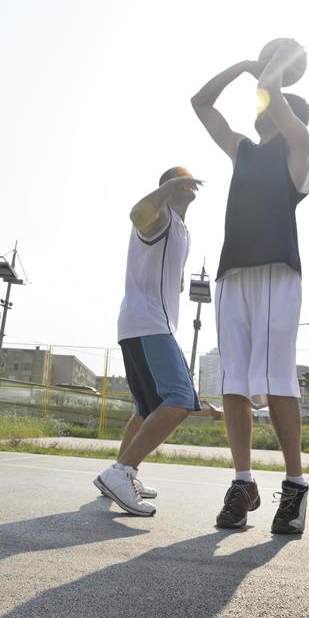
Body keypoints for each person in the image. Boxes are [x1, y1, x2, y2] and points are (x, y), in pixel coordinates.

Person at [191, 39, 309, 535]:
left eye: (277, 105)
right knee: (234, 381)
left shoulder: (300, 148)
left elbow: (269, 90)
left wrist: (274, 65)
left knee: (278, 378)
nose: (265, 107)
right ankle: (243, 482)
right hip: (234, 272)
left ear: (288, 114)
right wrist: (243, 64)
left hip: (278, 273)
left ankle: (296, 486)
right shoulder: (243, 151)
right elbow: (201, 104)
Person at [94, 167, 204, 517]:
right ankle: (121, 472)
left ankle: (121, 473)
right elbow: (136, 214)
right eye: (180, 179)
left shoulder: (181, 228)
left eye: (188, 179)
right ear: (171, 187)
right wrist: (169, 185)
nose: (189, 183)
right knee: (181, 399)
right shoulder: (157, 217)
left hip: (141, 323)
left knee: (146, 407)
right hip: (149, 323)